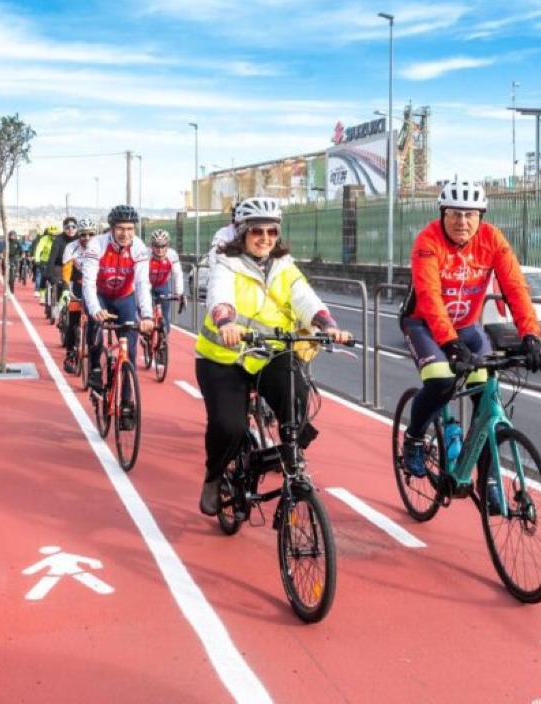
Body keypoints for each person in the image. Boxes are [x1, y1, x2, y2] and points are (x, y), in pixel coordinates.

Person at [194, 196, 352, 516]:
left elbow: (305, 299)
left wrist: (328, 325)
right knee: (229, 427)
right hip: (224, 358)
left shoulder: (284, 266)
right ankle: (214, 477)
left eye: (271, 231)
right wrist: (226, 322)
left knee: (297, 394)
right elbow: (219, 296)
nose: (265, 238)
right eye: (257, 232)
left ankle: (289, 454)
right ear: (242, 234)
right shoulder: (226, 263)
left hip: (269, 354)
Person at [397, 180, 541, 487]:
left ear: (481, 216)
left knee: (487, 394)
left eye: (470, 214)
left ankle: (488, 480)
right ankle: (413, 438)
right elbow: (429, 296)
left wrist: (531, 335)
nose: (462, 221)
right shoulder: (428, 241)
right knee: (441, 379)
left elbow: (515, 288)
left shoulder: (492, 239)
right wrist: (450, 345)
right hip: (422, 324)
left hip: (466, 326)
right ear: (442, 214)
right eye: (454, 213)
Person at [80, 205, 155, 430]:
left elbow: (142, 283)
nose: (125, 234)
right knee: (95, 325)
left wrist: (148, 314)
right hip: (100, 295)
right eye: (120, 228)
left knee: (130, 351)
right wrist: (95, 310)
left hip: (124, 297)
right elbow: (89, 283)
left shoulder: (139, 248)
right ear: (111, 228)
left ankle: (126, 403)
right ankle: (95, 369)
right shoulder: (97, 245)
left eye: (130, 229)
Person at [59, 217, 97, 373]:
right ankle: (70, 354)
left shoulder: (100, 247)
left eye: (90, 234)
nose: (86, 238)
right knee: (73, 321)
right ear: (78, 235)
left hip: (94, 286)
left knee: (96, 322)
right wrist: (66, 289)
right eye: (83, 235)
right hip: (76, 285)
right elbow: (67, 270)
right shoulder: (71, 247)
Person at [147, 228, 185, 335]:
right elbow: (140, 275)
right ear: (151, 246)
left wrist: (179, 293)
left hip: (162, 285)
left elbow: (178, 274)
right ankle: (147, 336)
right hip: (147, 285)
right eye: (157, 246)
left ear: (167, 245)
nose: (160, 249)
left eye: (163, 246)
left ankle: (164, 340)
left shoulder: (172, 254)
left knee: (165, 316)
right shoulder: (146, 254)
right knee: (146, 313)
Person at [46, 217, 78, 305]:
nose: (70, 229)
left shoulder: (81, 238)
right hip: (60, 266)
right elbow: (52, 258)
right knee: (58, 282)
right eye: (67, 227)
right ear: (64, 229)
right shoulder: (58, 240)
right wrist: (50, 274)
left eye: (73, 227)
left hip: (76, 267)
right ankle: (58, 304)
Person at [32, 225, 58, 298]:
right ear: (49, 234)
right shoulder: (44, 239)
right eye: (52, 235)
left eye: (55, 235)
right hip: (45, 261)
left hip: (55, 261)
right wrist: (37, 259)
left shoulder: (59, 240)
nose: (54, 237)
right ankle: (42, 293)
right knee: (43, 276)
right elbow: (39, 249)